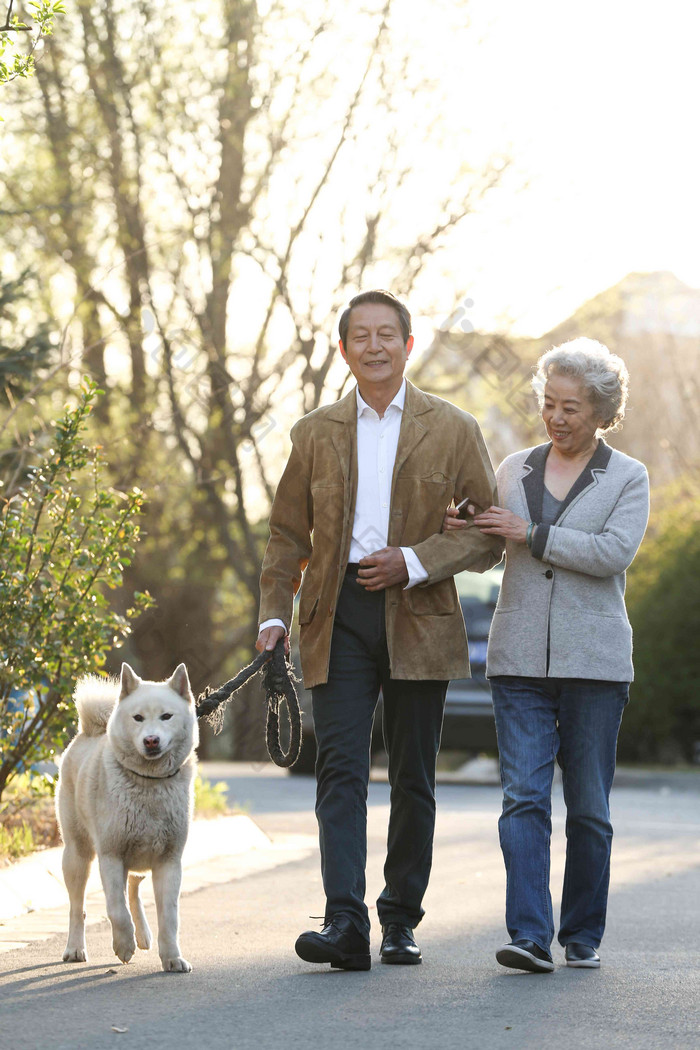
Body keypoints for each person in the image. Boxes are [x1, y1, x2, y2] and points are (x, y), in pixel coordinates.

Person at [257, 289, 503, 971]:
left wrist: (417, 561)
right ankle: (345, 923)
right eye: (359, 336)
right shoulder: (312, 433)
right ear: (343, 350)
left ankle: (399, 920)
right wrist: (275, 613)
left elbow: (489, 536)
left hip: (419, 614)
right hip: (336, 613)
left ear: (407, 344)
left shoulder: (452, 428)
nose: (373, 346)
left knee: (414, 774)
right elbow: (285, 536)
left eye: (385, 334)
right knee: (339, 768)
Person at [444, 337, 649, 973]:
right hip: (518, 661)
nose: (557, 418)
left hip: (595, 664)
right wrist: (469, 528)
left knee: (588, 808)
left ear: (602, 412)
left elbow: (611, 553)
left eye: (572, 408)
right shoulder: (514, 469)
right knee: (524, 800)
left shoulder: (629, 477)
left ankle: (581, 933)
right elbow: (492, 553)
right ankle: (529, 935)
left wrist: (530, 534)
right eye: (549, 404)